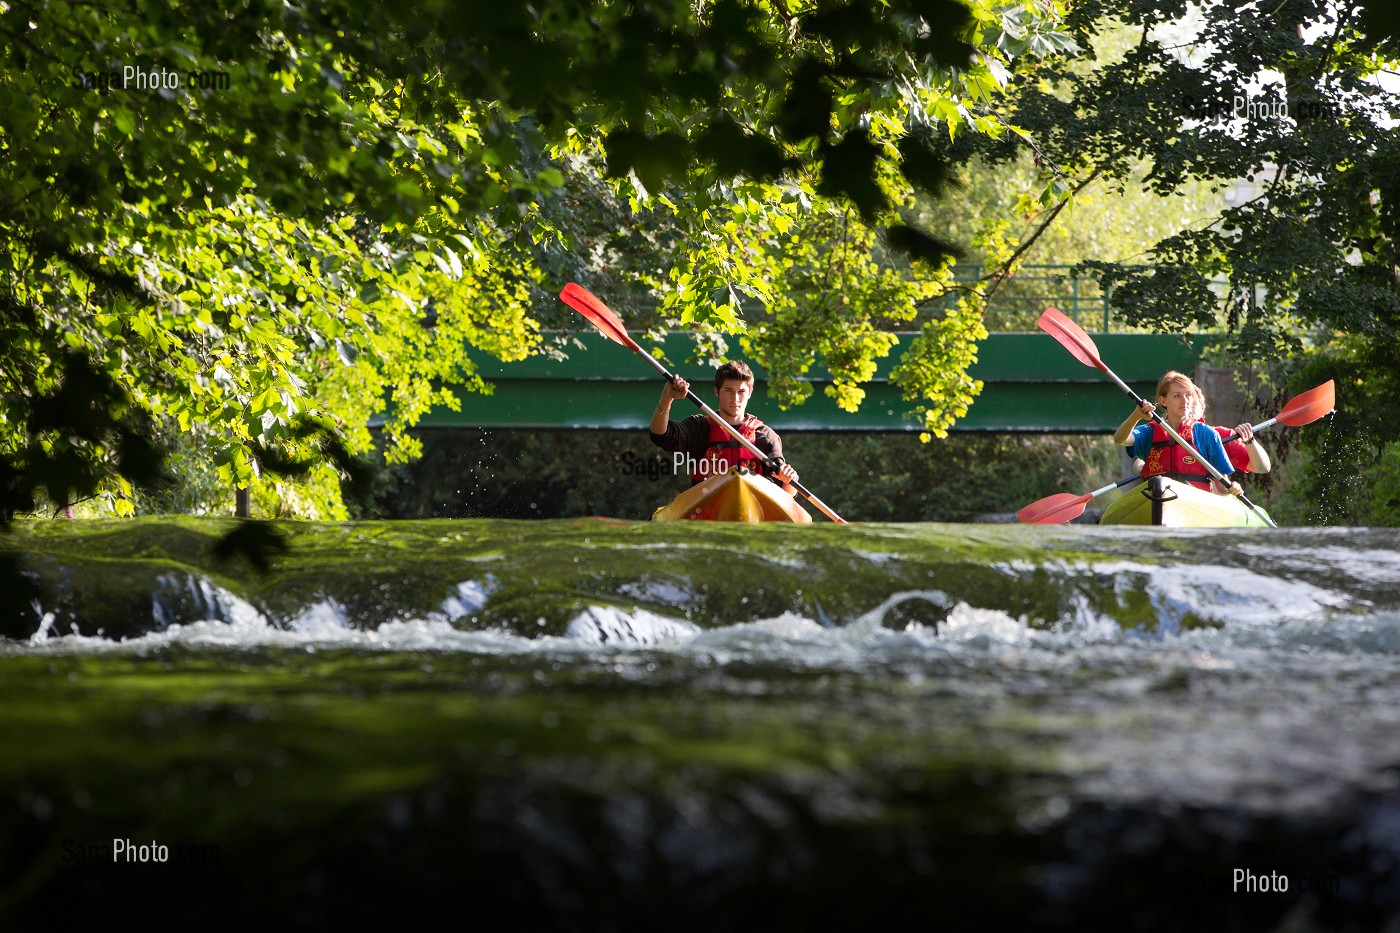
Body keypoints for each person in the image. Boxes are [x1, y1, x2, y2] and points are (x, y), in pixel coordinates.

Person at [649, 360, 800, 489]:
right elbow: (659, 435)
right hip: (707, 508)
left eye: (741, 391)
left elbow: (785, 492)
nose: (735, 398)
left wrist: (788, 481)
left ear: (750, 393)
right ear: (717, 391)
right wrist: (667, 398)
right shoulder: (699, 427)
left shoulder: (765, 436)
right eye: (729, 390)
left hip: (751, 515)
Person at [1113, 370, 1248, 495]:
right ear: (1163, 401)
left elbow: (1221, 487)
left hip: (1193, 503)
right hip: (1155, 496)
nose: (1185, 401)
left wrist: (1232, 488)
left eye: (1188, 395)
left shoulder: (1207, 434)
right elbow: (1120, 439)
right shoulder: (1150, 432)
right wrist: (1136, 415)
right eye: (1177, 396)